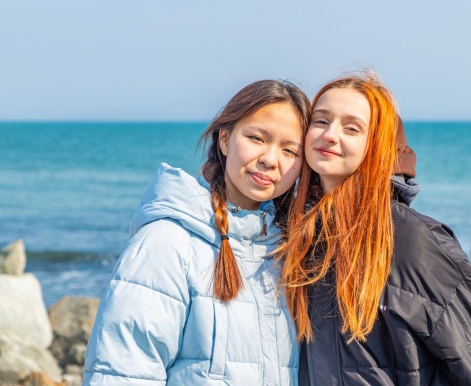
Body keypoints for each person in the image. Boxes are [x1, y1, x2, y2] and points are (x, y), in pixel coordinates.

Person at [280, 74, 471, 385]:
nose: (330, 135)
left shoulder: (408, 237)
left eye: (352, 128)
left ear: (376, 145)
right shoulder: (301, 231)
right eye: (321, 121)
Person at [83, 80, 310, 385]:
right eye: (257, 138)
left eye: (290, 150)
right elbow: (123, 371)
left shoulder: (291, 253)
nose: (270, 159)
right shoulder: (169, 241)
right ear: (225, 139)